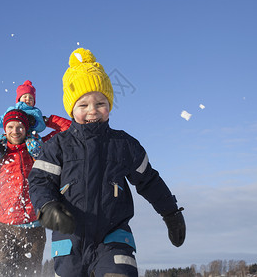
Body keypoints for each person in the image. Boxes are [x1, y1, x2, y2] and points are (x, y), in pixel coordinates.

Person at [28, 48, 186, 277]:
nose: (93, 111)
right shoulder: (58, 146)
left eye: (100, 103)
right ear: (71, 110)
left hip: (113, 236)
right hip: (70, 238)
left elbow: (149, 181)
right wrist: (47, 207)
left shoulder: (123, 145)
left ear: (109, 104)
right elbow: (40, 181)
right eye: (83, 105)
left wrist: (171, 213)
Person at [0, 108, 71, 277]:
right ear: (4, 129)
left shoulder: (39, 149)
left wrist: (44, 119)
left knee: (29, 274)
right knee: (1, 272)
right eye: (10, 127)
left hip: (34, 226)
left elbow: (68, 130)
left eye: (20, 126)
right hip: (2, 226)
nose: (15, 131)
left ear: (27, 128)